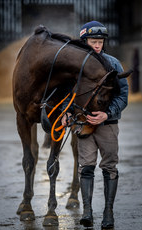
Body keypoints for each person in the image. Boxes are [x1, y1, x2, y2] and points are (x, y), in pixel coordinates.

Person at [61, 21, 129, 229]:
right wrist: (66, 111)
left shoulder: (113, 64)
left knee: (109, 167)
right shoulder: (75, 67)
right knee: (86, 167)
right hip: (83, 125)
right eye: (93, 41)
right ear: (85, 42)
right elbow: (68, 93)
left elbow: (123, 95)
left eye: (100, 42)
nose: (97, 45)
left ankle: (108, 213)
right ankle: (87, 212)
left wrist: (107, 113)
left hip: (107, 125)